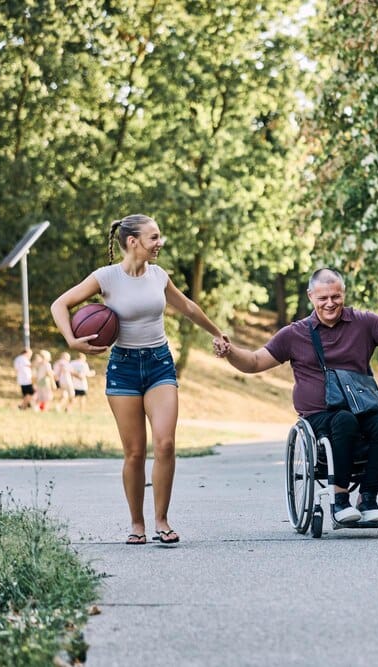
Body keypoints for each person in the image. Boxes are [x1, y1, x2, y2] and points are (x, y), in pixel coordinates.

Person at [212, 267, 378, 525]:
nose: (330, 303)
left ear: (343, 293)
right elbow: (254, 362)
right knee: (343, 420)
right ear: (311, 296)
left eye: (336, 296)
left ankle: (368, 498)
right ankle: (339, 499)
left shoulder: (364, 323)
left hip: (362, 408)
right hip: (320, 415)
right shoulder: (294, 334)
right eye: (323, 298)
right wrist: (230, 352)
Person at [51, 214, 229, 546]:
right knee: (134, 453)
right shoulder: (106, 277)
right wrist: (71, 340)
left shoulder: (159, 276)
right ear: (133, 242)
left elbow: (188, 307)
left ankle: (162, 519)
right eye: (154, 238)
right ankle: (137, 523)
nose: (160, 243)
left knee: (165, 444)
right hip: (124, 368)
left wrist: (217, 333)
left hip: (159, 363)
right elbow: (60, 304)